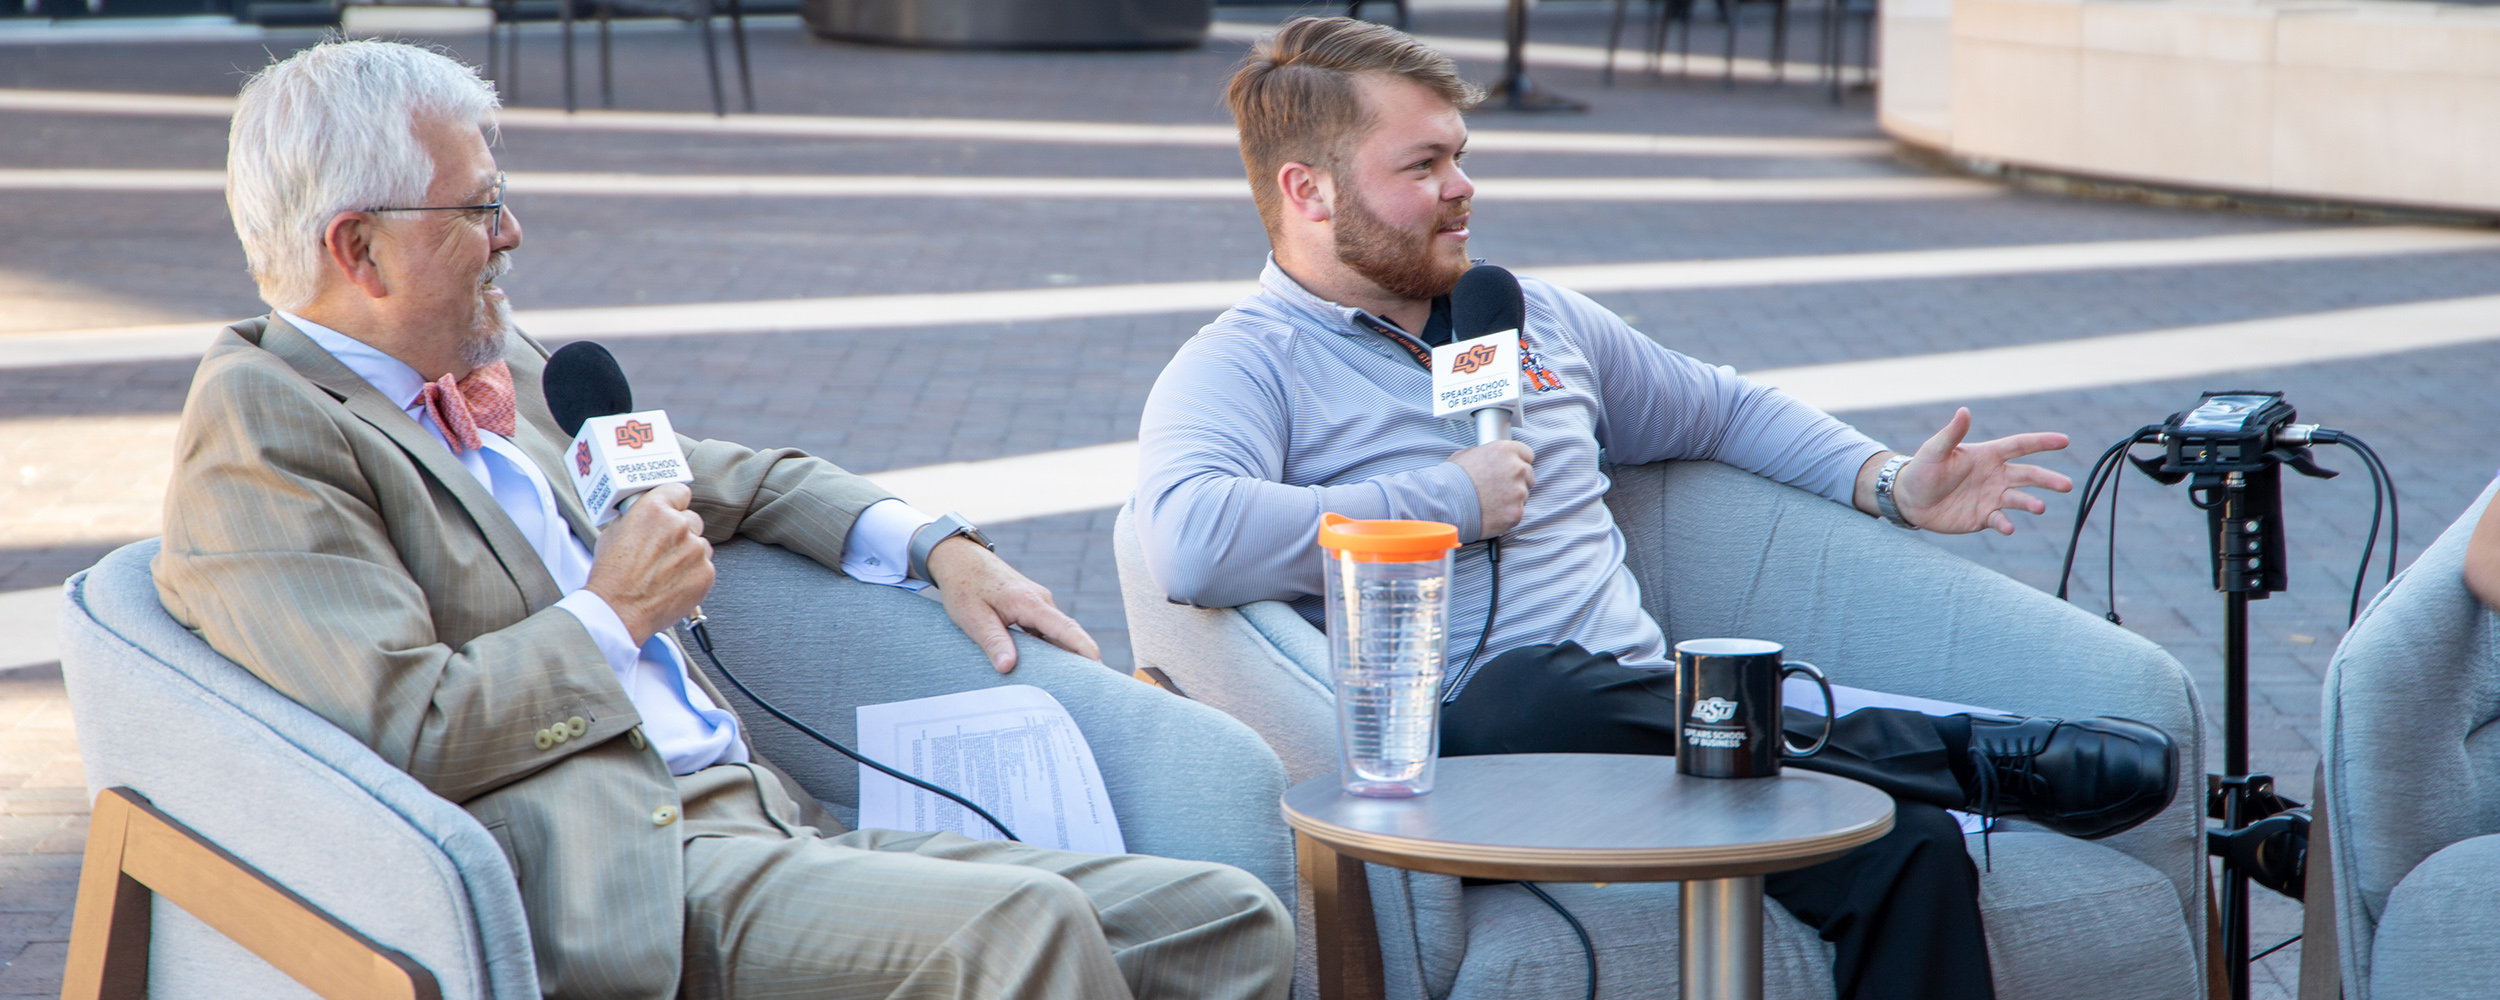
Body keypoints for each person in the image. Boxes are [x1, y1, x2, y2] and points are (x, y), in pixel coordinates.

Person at [157, 39, 1290, 1000]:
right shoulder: (264, 430)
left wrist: (927, 542)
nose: (511, 233)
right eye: (481, 205)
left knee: (1219, 917)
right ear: (358, 248)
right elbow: (405, 726)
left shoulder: (491, 359)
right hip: (634, 879)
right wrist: (615, 612)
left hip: (759, 827)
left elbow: (712, 471)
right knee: (1020, 931)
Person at [1135, 18, 2176, 1000]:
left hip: (1665, 735)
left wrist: (1889, 484)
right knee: (1530, 692)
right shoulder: (1241, 364)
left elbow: (1720, 408)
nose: (1461, 189)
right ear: (1307, 191)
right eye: (1421, 167)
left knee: (1904, 844)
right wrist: (1446, 499)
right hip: (1466, 759)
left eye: (1457, 154)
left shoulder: (1527, 315)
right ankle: (1964, 754)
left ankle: (1923, 781)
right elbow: (1186, 537)